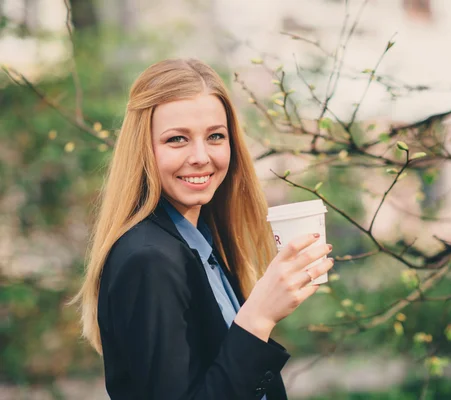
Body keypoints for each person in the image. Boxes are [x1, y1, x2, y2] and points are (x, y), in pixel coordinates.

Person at [70, 58, 335, 399]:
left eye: (215, 136)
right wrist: (258, 317)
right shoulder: (149, 260)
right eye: (177, 139)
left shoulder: (202, 245)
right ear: (143, 149)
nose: (200, 156)